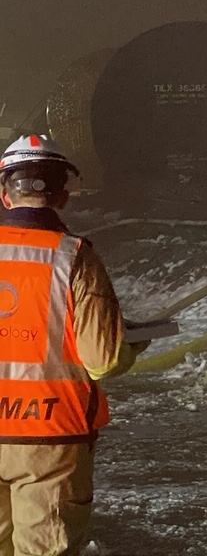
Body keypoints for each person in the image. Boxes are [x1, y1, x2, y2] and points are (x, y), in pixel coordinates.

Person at [0, 135, 137, 555]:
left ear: (5, 195)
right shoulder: (76, 258)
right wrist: (130, 344)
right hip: (50, 438)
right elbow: (103, 360)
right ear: (62, 195)